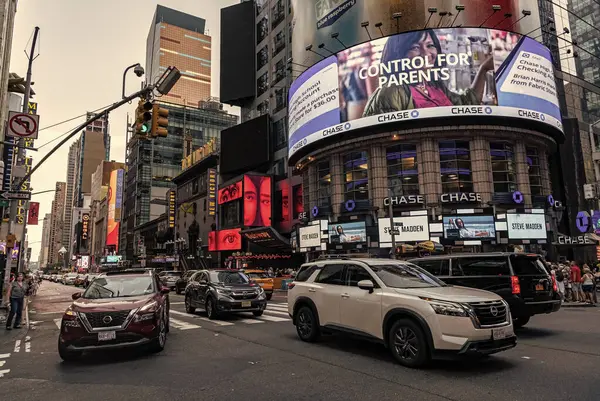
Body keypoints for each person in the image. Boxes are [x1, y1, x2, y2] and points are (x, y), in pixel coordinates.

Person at [362, 29, 494, 116]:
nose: (426, 54)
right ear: (399, 55)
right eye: (415, 47)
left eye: (430, 46)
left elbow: (467, 104)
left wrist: (483, 69)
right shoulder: (391, 91)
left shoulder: (434, 86)